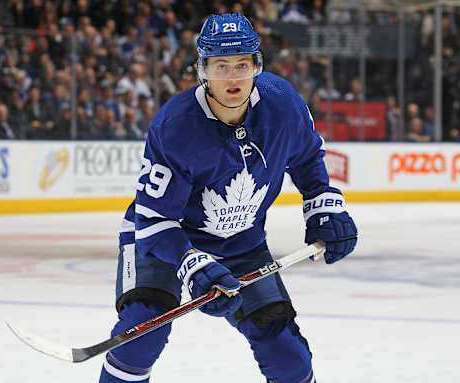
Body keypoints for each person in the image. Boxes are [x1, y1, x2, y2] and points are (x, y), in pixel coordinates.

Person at [99, 13, 357, 383]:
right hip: (163, 243)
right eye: (221, 65)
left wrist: (323, 204)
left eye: (242, 64)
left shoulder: (283, 103)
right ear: (203, 69)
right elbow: (155, 220)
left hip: (241, 246)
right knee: (140, 338)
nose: (233, 77)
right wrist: (191, 263)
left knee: (288, 357)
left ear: (257, 65)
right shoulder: (176, 126)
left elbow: (305, 157)